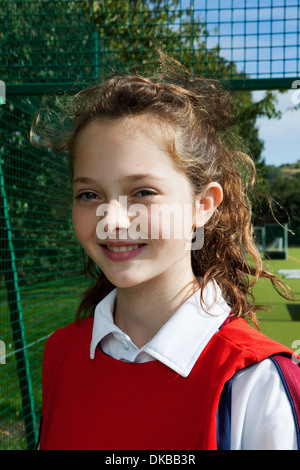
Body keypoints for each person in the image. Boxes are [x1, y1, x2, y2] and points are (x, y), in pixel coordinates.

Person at [32, 53, 300, 450]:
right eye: (89, 194)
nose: (113, 220)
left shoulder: (255, 381)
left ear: (203, 204)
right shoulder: (59, 355)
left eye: (143, 192)